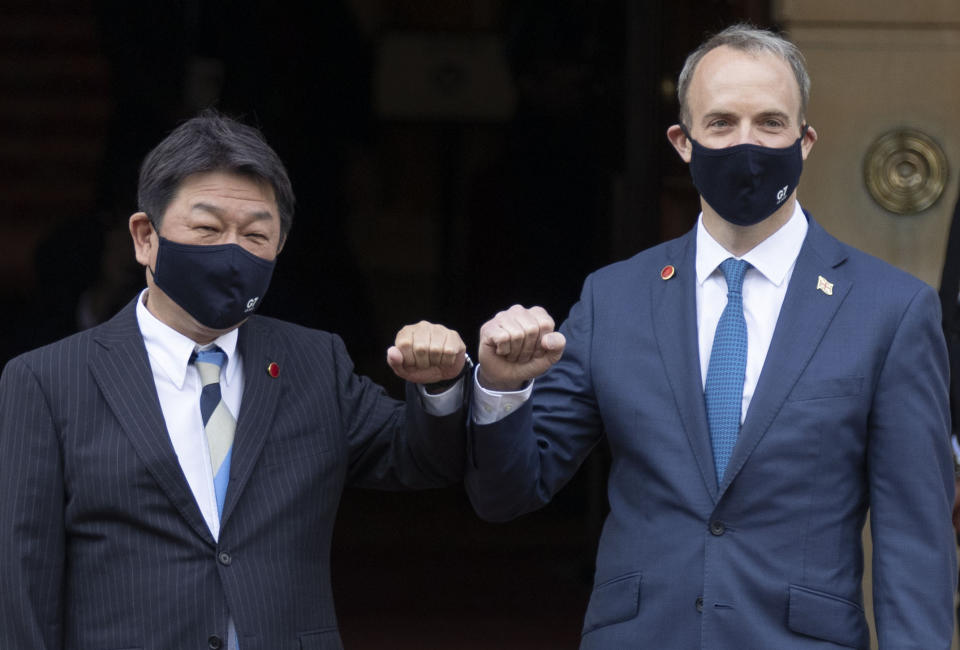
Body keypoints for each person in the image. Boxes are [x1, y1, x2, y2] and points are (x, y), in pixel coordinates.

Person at [466, 24, 956, 648]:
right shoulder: (614, 298)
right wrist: (501, 391)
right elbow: (509, 492)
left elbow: (915, 539)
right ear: (683, 142)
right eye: (721, 123)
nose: (746, 145)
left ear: (806, 141)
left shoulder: (891, 310)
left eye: (771, 123)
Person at [0, 111, 470, 649]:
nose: (231, 252)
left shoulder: (315, 363)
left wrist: (440, 385)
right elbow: (22, 581)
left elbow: (423, 456)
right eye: (206, 229)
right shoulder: (46, 381)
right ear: (144, 237)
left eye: (255, 235)